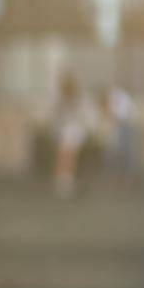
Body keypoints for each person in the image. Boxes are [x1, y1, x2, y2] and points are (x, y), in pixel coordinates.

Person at [50, 69, 96, 198]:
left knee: (67, 147)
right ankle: (64, 178)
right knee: (65, 149)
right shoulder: (60, 100)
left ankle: (64, 179)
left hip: (78, 130)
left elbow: (89, 119)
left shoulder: (83, 99)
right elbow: (55, 119)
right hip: (65, 132)